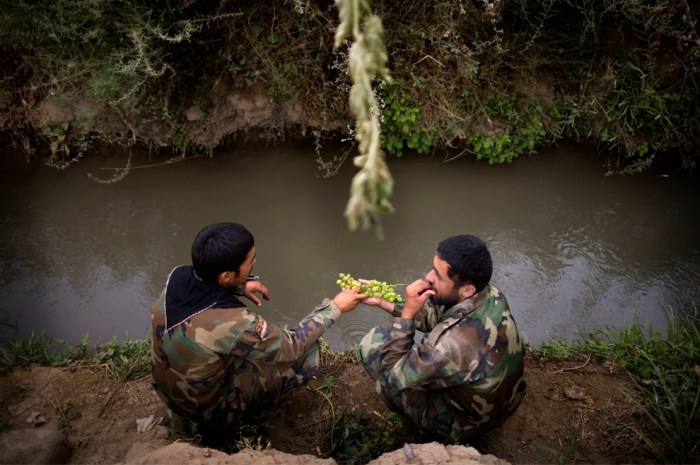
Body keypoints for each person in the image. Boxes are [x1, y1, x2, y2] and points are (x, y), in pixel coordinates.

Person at [150, 222, 366, 431]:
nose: (255, 262)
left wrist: (240, 286)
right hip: (206, 411)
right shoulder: (236, 323)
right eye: (250, 261)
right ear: (226, 275)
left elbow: (204, 289)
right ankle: (236, 420)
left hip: (167, 393)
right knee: (306, 352)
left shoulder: (176, 276)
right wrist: (335, 307)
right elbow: (290, 346)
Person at [358, 234, 526, 443]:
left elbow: (392, 375)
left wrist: (407, 316)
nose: (428, 277)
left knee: (372, 343)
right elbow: (437, 315)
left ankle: (436, 435)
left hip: (465, 425)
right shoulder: (491, 293)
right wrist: (390, 304)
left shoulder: (446, 346)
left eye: (438, 275)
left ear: (467, 289)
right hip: (500, 408)